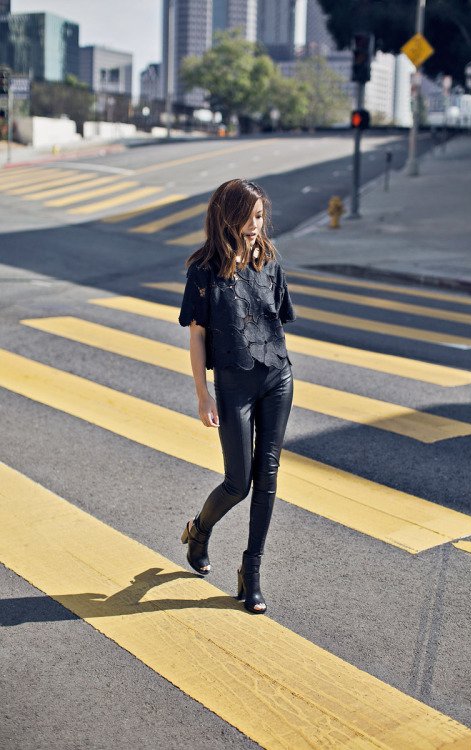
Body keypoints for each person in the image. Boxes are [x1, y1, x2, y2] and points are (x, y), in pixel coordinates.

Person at [178, 178, 295, 614]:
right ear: (226, 217)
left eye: (260, 217)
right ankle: (199, 530)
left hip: (277, 377)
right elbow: (198, 337)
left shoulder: (269, 262)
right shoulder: (204, 271)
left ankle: (252, 572)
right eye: (247, 218)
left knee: (268, 478)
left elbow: (277, 319)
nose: (254, 226)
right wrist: (202, 395)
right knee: (238, 482)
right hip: (233, 385)